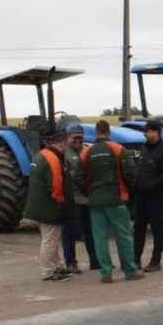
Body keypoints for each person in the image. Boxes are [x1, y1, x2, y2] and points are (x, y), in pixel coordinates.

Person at [81, 120, 142, 283]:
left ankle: (106, 273)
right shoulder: (118, 149)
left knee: (100, 238)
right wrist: (131, 191)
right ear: (109, 132)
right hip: (117, 199)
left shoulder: (86, 153)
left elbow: (79, 178)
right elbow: (130, 173)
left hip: (95, 201)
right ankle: (129, 271)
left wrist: (89, 193)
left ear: (95, 133)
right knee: (123, 236)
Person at [25, 130, 74, 282]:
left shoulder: (41, 155)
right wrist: (61, 204)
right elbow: (56, 185)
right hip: (48, 206)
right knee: (50, 239)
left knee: (50, 238)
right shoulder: (53, 160)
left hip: (38, 204)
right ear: (63, 143)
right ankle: (48, 271)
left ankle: (58, 266)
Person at [133, 119, 163, 272]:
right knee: (138, 228)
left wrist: (152, 185)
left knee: (157, 229)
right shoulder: (144, 148)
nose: (146, 134)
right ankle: (135, 259)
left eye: (148, 131)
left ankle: (155, 261)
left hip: (156, 196)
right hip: (141, 196)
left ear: (155, 132)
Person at [61, 125, 100, 273]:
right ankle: (70, 262)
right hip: (72, 199)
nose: (77, 140)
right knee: (69, 231)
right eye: (74, 137)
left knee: (91, 230)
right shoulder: (64, 154)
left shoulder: (88, 150)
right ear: (68, 137)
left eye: (80, 137)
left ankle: (95, 260)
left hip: (88, 198)